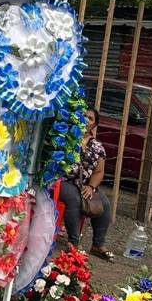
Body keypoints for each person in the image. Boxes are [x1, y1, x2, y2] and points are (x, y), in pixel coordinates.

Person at [58, 108, 114, 260]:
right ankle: (73, 243)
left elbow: (99, 172)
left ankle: (98, 245)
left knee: (105, 203)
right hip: (63, 180)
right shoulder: (66, 136)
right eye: (83, 116)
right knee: (74, 199)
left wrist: (91, 187)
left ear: (94, 124)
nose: (85, 119)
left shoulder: (97, 147)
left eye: (90, 118)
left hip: (84, 184)